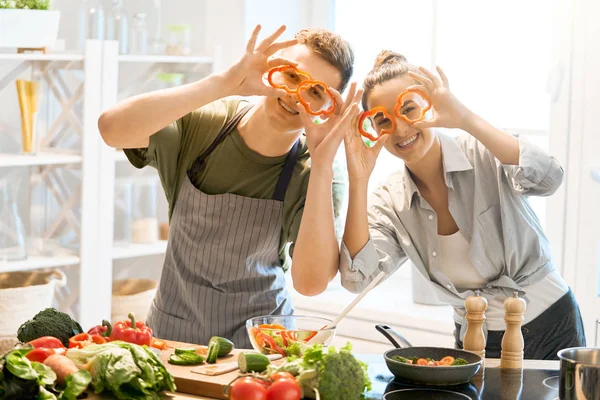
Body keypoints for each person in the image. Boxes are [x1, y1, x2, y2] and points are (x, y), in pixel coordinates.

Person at [97, 25, 355, 348]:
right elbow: (111, 129)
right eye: (292, 77)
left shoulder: (318, 170)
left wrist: (322, 165)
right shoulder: (205, 125)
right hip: (172, 339)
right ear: (273, 68)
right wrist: (224, 84)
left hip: (260, 346)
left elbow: (311, 283)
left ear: (328, 107)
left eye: (314, 92)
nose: (295, 96)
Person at [328, 50, 584, 360]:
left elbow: (549, 178)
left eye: (408, 109)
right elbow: (357, 279)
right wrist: (359, 179)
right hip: (474, 341)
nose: (399, 129)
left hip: (552, 325)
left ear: (430, 106)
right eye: (383, 120)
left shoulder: (483, 151)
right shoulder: (389, 199)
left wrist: (464, 118)